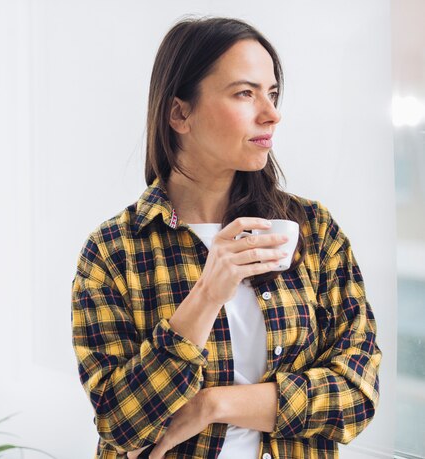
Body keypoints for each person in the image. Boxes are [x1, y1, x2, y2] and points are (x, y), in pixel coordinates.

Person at [71, 16, 381, 459]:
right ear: (180, 112)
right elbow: (119, 423)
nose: (271, 113)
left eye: (271, 93)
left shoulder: (313, 230)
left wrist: (213, 405)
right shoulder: (113, 251)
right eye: (244, 93)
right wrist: (207, 294)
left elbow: (356, 393)